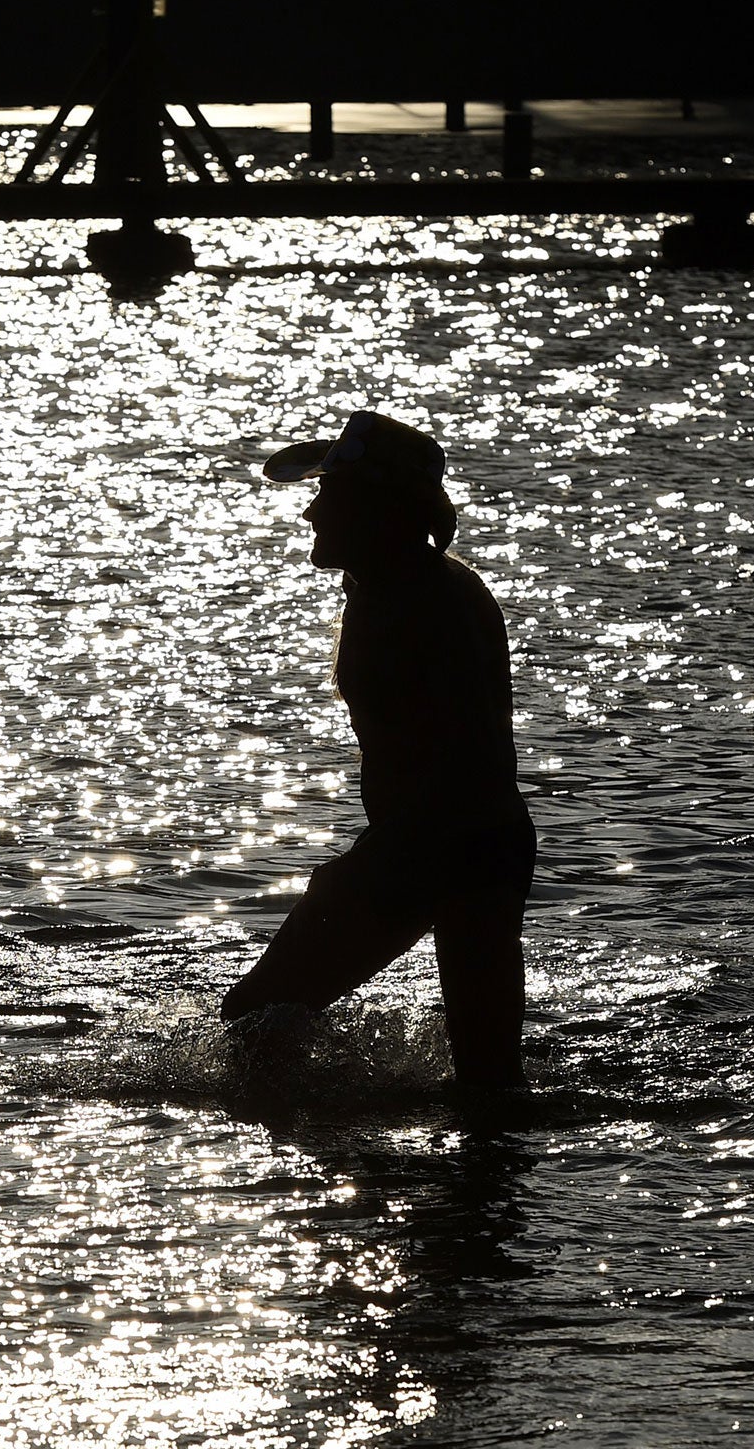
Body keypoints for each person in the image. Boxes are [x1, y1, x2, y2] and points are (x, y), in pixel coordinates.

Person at [221, 410, 535, 1090]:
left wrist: (377, 871)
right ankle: (467, 1184)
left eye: (329, 495)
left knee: (254, 1018)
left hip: (435, 845)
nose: (309, 512)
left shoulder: (414, 601)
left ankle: (322, 1176)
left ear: (379, 511)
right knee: (490, 1082)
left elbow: (450, 755)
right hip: (491, 841)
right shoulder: (415, 581)